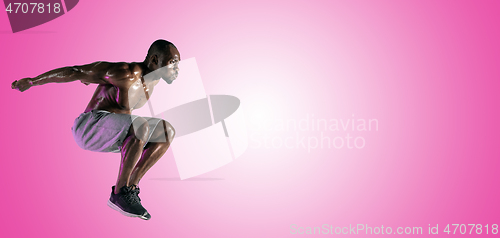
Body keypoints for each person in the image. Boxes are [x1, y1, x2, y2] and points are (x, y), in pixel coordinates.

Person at [11, 39, 180, 220]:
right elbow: (75, 71)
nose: (177, 69)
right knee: (140, 125)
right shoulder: (125, 73)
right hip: (88, 126)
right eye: (172, 63)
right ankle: (119, 192)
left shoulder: (152, 82)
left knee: (166, 130)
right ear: (154, 60)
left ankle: (130, 188)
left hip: (111, 130)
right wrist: (33, 81)